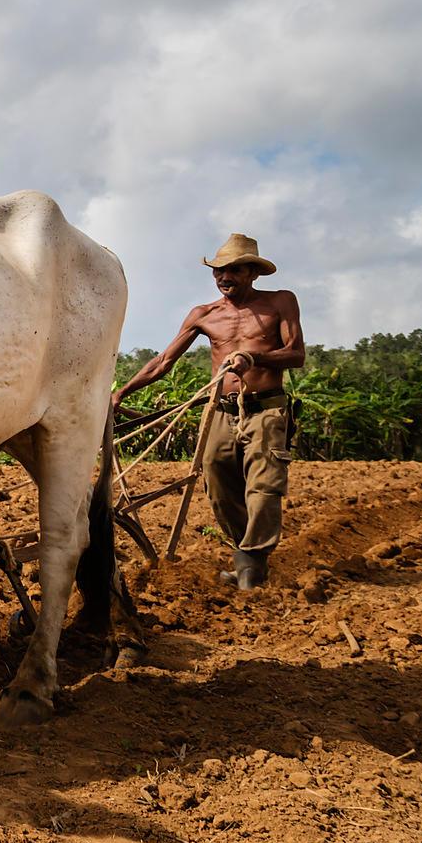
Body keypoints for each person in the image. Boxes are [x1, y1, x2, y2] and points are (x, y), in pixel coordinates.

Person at [112, 234, 305, 589]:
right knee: (217, 482)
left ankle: (250, 570)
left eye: (233, 270)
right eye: (219, 271)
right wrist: (121, 393)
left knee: (263, 488)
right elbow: (163, 362)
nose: (224, 277)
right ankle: (246, 556)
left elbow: (296, 354)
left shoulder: (280, 302)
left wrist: (254, 357)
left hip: (266, 410)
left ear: (253, 273)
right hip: (221, 411)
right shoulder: (204, 315)